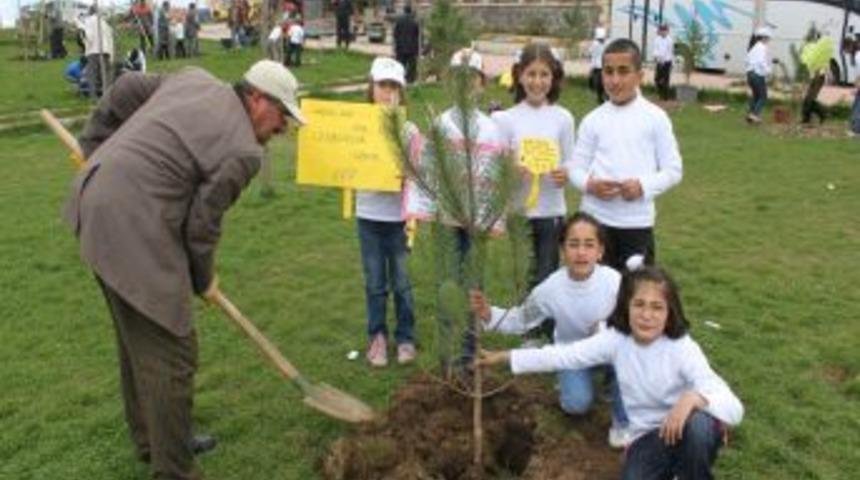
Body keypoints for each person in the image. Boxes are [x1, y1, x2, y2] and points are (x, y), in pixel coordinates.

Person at [64, 60, 306, 480]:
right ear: (256, 98)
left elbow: (125, 87)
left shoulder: (196, 79)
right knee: (174, 352)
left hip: (96, 207)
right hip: (133, 229)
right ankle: (175, 470)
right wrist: (202, 280)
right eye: (282, 114)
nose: (283, 127)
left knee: (139, 342)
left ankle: (155, 442)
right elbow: (201, 229)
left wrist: (93, 149)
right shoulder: (243, 152)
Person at [479, 265, 744, 477]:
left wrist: (693, 399)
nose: (647, 315)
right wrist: (506, 356)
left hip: (687, 428)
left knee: (699, 426)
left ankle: (690, 472)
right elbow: (564, 355)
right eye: (639, 304)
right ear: (625, 306)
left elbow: (734, 408)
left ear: (670, 313)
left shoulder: (682, 348)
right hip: (647, 436)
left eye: (657, 307)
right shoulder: (616, 340)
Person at [470, 212, 630, 447]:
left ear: (600, 251)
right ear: (562, 250)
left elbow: (632, 325)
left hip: (611, 350)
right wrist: (488, 314)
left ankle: (623, 422)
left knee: (629, 363)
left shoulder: (614, 282)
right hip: (571, 353)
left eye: (589, 245)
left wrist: (605, 326)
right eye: (573, 245)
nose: (581, 252)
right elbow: (521, 319)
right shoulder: (550, 289)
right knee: (576, 404)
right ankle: (572, 381)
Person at [569, 38, 683, 272]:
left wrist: (642, 185)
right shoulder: (593, 120)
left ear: (639, 76)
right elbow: (575, 168)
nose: (615, 80)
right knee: (597, 298)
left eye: (623, 71)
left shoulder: (656, 118)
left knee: (633, 296)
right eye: (608, 72)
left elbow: (673, 170)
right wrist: (590, 185)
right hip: (594, 223)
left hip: (636, 225)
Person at [491, 43, 574, 342]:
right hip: (519, 212)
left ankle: (547, 331)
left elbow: (571, 161)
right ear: (519, 76)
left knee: (549, 275)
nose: (537, 81)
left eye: (544, 74)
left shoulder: (563, 118)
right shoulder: (505, 119)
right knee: (526, 275)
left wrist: (565, 173)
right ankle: (529, 332)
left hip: (552, 211)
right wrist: (511, 170)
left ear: (554, 78)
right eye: (531, 74)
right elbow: (496, 168)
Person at [359, 57, 421, 368]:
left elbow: (420, 172)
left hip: (400, 217)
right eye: (383, 85)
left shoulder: (409, 129)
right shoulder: (356, 125)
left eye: (394, 86)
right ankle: (378, 337)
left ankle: (406, 336)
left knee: (402, 281)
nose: (388, 92)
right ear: (371, 88)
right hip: (368, 215)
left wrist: (407, 175)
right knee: (374, 282)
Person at [80, 5, 114, 99]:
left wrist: (85, 43)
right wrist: (111, 54)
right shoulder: (104, 22)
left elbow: (89, 36)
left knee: (92, 74)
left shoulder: (88, 21)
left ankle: (93, 96)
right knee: (106, 74)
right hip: (106, 50)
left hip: (93, 50)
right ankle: (108, 95)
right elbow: (110, 37)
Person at [746, 27, 772, 124]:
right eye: (768, 38)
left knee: (756, 96)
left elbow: (747, 61)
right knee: (763, 97)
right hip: (757, 75)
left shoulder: (753, 47)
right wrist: (768, 71)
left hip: (750, 74)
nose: (769, 40)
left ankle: (750, 115)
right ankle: (754, 115)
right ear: (764, 38)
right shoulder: (762, 47)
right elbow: (761, 62)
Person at [393, 3, 420, 84]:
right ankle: (411, 79)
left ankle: (399, 78)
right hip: (412, 47)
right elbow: (417, 34)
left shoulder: (399, 21)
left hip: (401, 47)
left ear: (404, 11)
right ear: (411, 11)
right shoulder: (414, 22)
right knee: (412, 64)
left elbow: (395, 34)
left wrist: (397, 43)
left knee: (401, 64)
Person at [653, 24, 674, 101]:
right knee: (657, 79)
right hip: (659, 61)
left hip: (667, 61)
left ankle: (665, 97)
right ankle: (659, 93)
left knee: (666, 79)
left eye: (664, 31)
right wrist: (657, 57)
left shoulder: (670, 40)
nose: (663, 32)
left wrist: (664, 61)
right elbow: (656, 50)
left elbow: (669, 52)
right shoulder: (657, 39)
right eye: (661, 31)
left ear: (667, 31)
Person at [588, 27, 608, 104]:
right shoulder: (595, 44)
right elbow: (592, 55)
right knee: (599, 83)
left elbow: (591, 54)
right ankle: (601, 97)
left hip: (601, 66)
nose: (601, 40)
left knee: (602, 83)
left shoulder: (603, 44)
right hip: (598, 67)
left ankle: (603, 97)